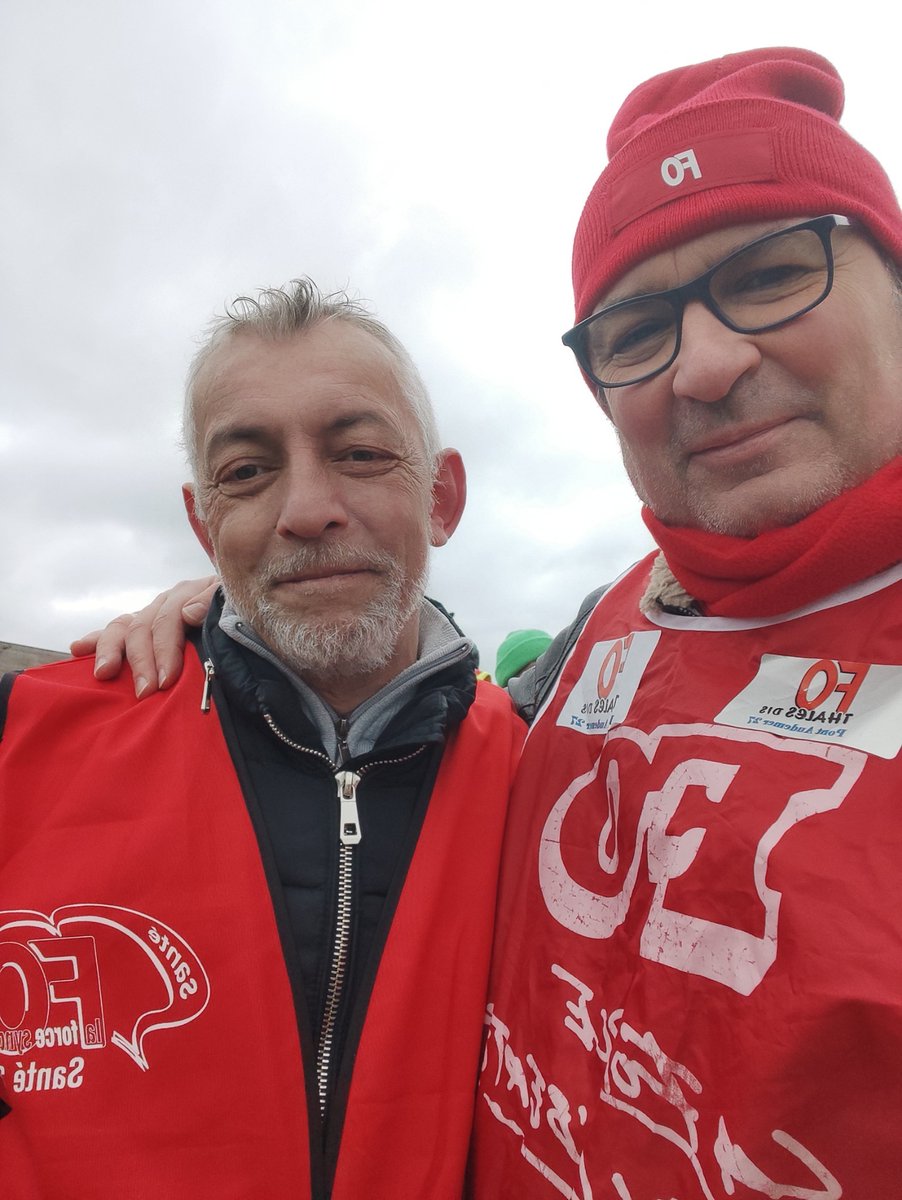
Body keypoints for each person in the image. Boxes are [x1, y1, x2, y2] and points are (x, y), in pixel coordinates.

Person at [69, 44, 902, 1198]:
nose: (702, 366)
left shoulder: (498, 734)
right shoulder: (595, 642)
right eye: (634, 331)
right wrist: (231, 610)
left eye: (769, 274)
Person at [0, 280, 523, 1200]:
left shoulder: (548, 776)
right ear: (206, 527)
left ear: (442, 497)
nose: (307, 509)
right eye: (247, 471)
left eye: (359, 453)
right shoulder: (23, 742)